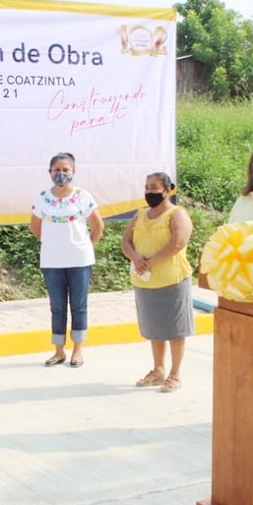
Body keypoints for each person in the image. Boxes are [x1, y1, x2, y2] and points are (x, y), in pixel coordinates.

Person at [121, 172, 195, 393]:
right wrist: (136, 259)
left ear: (167, 190)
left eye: (154, 187)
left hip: (172, 280)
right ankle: (158, 370)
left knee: (175, 330)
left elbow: (178, 242)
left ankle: (175, 374)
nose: (149, 192)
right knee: (155, 328)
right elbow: (126, 241)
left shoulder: (177, 214)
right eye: (146, 187)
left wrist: (150, 262)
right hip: (145, 282)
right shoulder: (140, 214)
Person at [29, 152, 104, 367]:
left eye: (65, 170)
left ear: (73, 172)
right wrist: (53, 244)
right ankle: (59, 351)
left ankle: (77, 350)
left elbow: (98, 226)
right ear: (49, 172)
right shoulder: (42, 197)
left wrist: (84, 246)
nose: (61, 173)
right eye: (57, 170)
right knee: (57, 307)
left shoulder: (83, 196)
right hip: (52, 261)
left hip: (79, 260)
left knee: (78, 306)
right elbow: (35, 228)